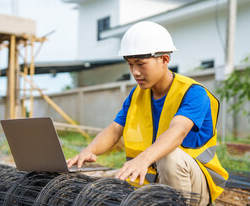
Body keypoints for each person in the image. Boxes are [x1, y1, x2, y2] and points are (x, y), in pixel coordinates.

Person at [67, 21, 228, 205]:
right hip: (153, 185)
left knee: (170, 157)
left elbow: (178, 131)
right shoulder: (137, 95)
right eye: (130, 64)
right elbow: (114, 130)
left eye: (141, 64)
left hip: (195, 188)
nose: (135, 72)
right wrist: (88, 151)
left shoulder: (193, 93)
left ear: (165, 60)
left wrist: (143, 159)